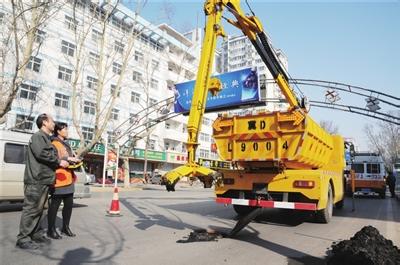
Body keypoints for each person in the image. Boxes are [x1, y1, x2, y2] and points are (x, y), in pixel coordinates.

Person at [16, 114, 70, 250]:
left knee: (41, 209)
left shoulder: (45, 138)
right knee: (31, 209)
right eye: (52, 121)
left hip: (44, 180)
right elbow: (43, 154)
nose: (54, 124)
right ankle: (23, 239)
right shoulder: (38, 137)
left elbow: (49, 155)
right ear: (45, 123)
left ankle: (36, 234)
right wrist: (59, 161)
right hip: (36, 180)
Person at [47, 122, 81, 239]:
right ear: (58, 131)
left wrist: (75, 161)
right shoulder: (54, 143)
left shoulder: (66, 144)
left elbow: (68, 159)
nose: (67, 131)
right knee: (54, 206)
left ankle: (65, 227)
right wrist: (67, 158)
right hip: (59, 179)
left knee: (68, 205)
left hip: (69, 178)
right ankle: (50, 230)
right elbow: (53, 158)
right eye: (65, 129)